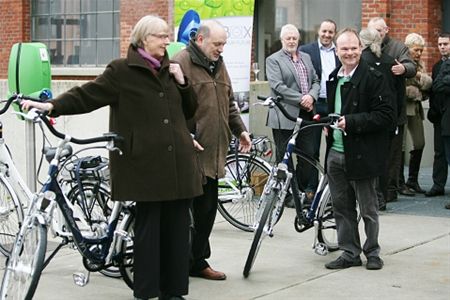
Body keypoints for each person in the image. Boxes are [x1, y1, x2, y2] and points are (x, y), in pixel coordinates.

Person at [22, 15, 203, 300]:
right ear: (144, 39)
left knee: (177, 234)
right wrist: (51, 106)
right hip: (144, 165)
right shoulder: (122, 70)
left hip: (178, 164)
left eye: (168, 35)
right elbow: (87, 95)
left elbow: (191, 110)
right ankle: (146, 293)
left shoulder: (172, 70)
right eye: (161, 36)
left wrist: (183, 83)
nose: (167, 40)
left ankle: (174, 293)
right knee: (149, 235)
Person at [172, 20, 252, 281]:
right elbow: (169, 109)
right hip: (189, 153)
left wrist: (240, 129)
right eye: (217, 44)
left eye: (224, 44)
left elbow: (228, 101)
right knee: (186, 216)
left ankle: (197, 262)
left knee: (206, 213)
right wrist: (184, 136)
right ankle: (177, 266)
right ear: (200, 40)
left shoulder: (218, 63)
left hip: (213, 153)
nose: (221, 49)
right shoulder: (181, 62)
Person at [324, 28, 394, 270]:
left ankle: (372, 252)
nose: (350, 52)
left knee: (368, 209)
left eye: (353, 48)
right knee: (342, 208)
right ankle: (349, 252)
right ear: (337, 51)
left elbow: (386, 115)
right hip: (335, 152)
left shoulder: (375, 78)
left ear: (361, 49)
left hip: (363, 154)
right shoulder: (333, 78)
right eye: (344, 48)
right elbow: (332, 109)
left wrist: (351, 122)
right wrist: (325, 122)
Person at [265, 23, 320, 203]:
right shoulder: (273, 60)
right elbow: (277, 86)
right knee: (285, 157)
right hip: (284, 115)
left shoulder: (306, 57)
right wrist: (301, 99)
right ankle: (286, 195)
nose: (291, 41)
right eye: (288, 38)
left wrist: (311, 96)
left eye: (294, 38)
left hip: (307, 114)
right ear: (282, 40)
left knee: (308, 154)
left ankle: (304, 193)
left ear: (299, 40)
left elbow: (316, 80)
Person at [367, 17, 417, 202]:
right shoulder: (366, 48)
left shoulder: (398, 47)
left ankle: (390, 191)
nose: (377, 34)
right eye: (373, 31)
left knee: (393, 154)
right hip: (372, 113)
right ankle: (374, 192)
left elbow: (412, 67)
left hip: (395, 112)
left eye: (380, 30)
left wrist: (403, 68)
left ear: (386, 29)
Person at [359, 27, 400, 210]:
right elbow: (398, 93)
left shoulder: (360, 62)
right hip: (388, 118)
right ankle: (380, 197)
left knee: (366, 159)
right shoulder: (390, 62)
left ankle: (367, 199)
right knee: (383, 159)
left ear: (362, 42)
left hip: (366, 118)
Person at [403, 33, 433, 194]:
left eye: (421, 50)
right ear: (408, 48)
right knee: (399, 147)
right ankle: (398, 182)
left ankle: (412, 180)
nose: (419, 53)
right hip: (402, 108)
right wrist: (414, 89)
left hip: (415, 109)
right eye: (416, 50)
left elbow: (428, 84)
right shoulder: (401, 61)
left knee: (420, 143)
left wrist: (419, 78)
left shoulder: (419, 65)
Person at [427, 32, 450, 200]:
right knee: (439, 152)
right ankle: (438, 184)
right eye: (440, 44)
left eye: (446, 44)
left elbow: (441, 86)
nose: (442, 47)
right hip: (438, 116)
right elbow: (435, 91)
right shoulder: (436, 67)